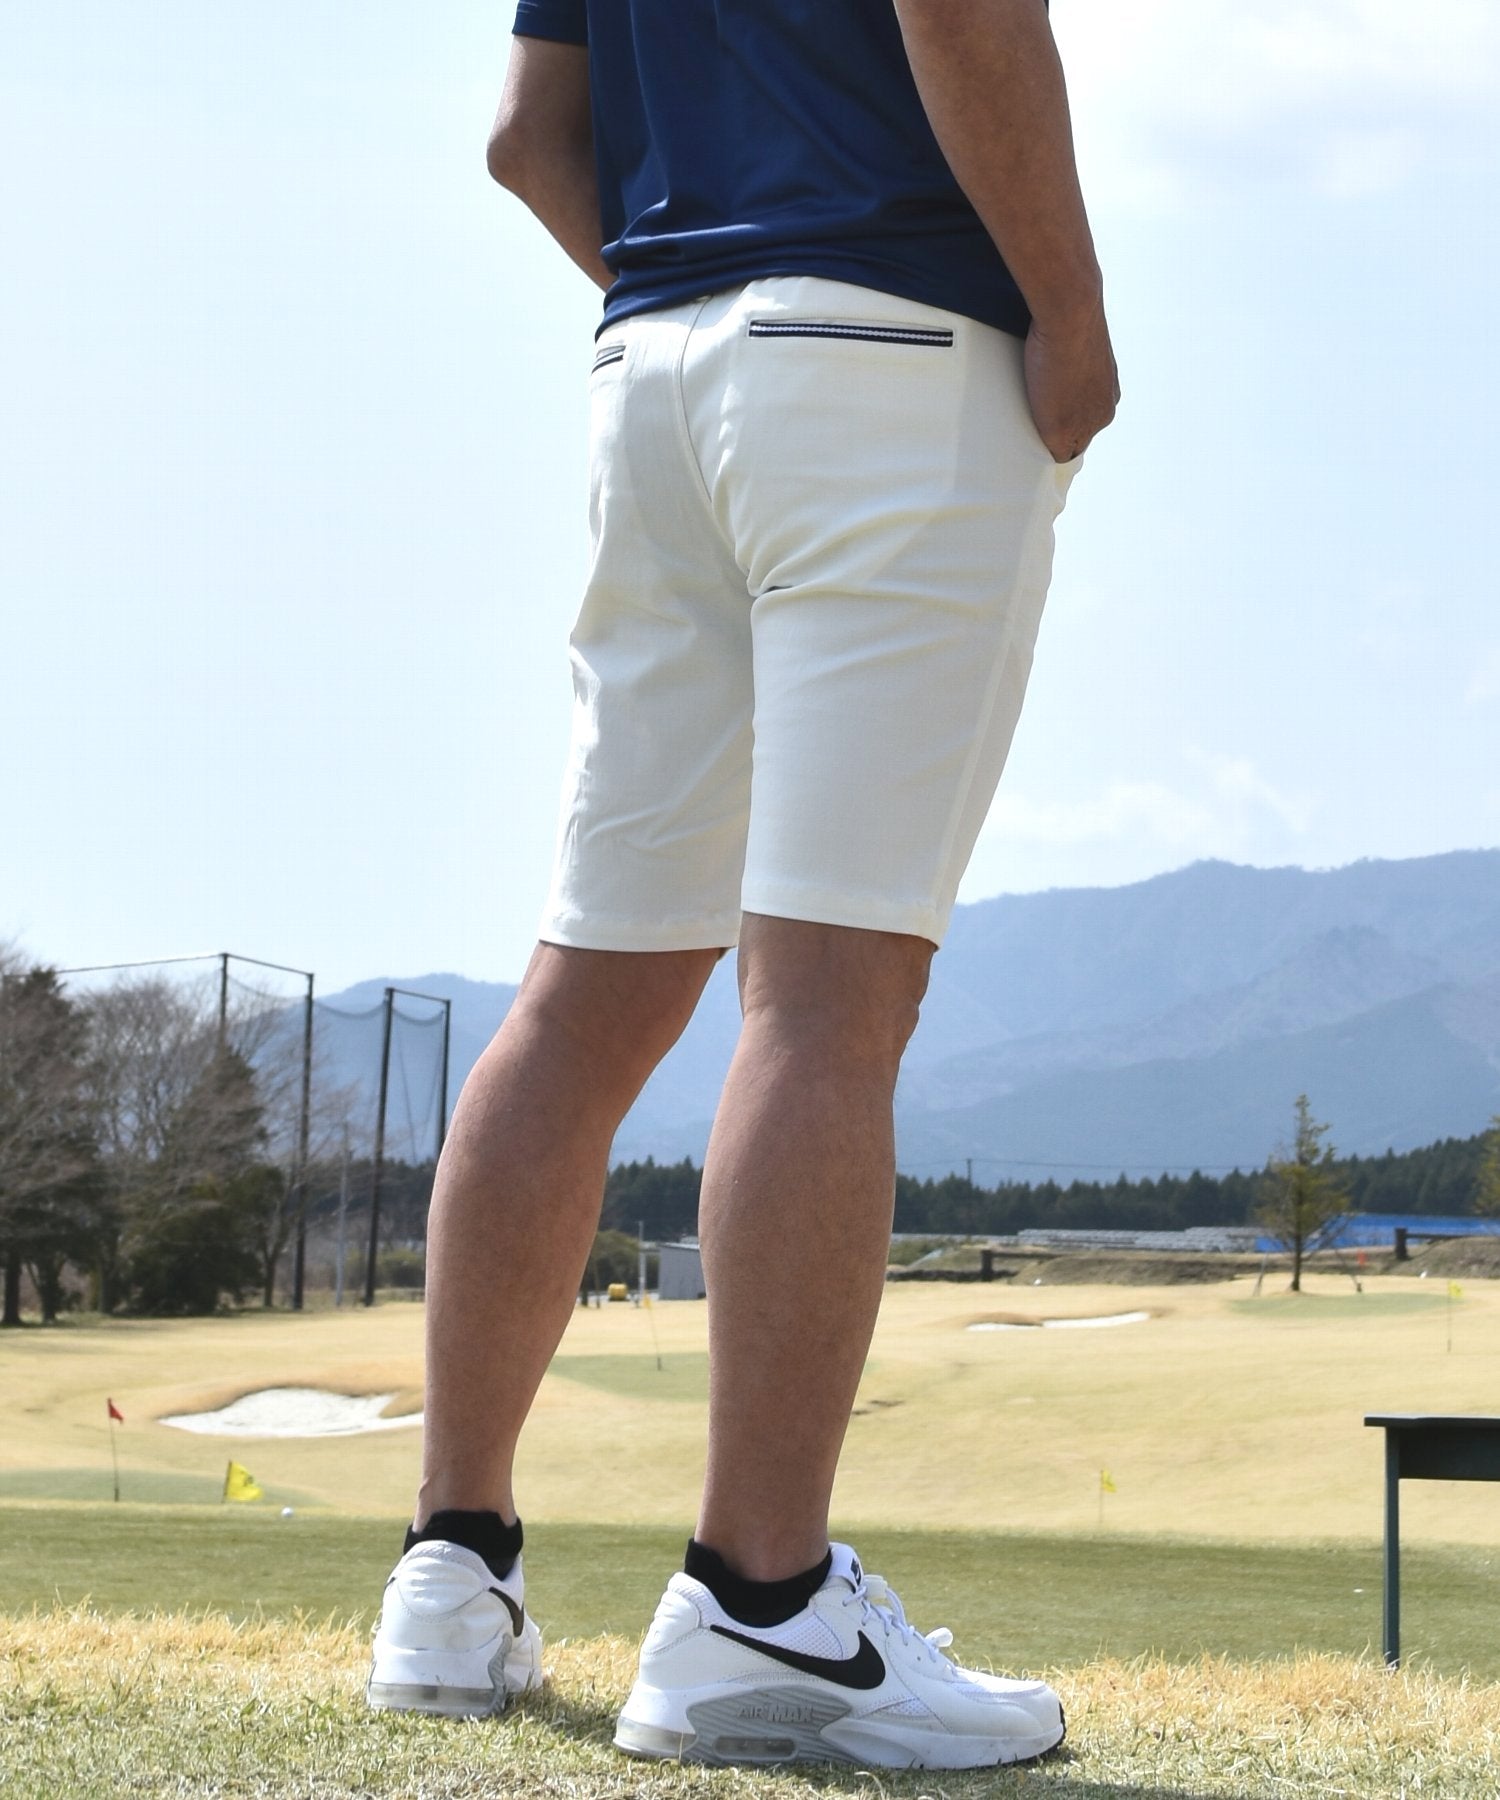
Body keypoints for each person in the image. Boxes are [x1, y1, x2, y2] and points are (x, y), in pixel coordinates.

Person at [366, 0, 1117, 1770]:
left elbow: (527, 135)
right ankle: (759, 1605)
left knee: (589, 988)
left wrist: (699, 306)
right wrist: (1075, 319)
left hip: (653, 368)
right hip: (891, 343)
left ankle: (449, 1577)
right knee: (830, 997)